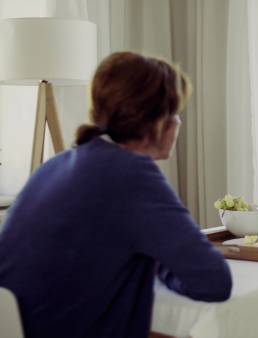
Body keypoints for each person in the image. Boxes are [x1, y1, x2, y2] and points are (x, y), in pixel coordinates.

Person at [0, 52, 232, 338]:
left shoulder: (55, 165)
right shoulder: (132, 173)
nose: (178, 123)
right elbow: (213, 280)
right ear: (156, 121)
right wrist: (161, 260)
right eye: (175, 113)